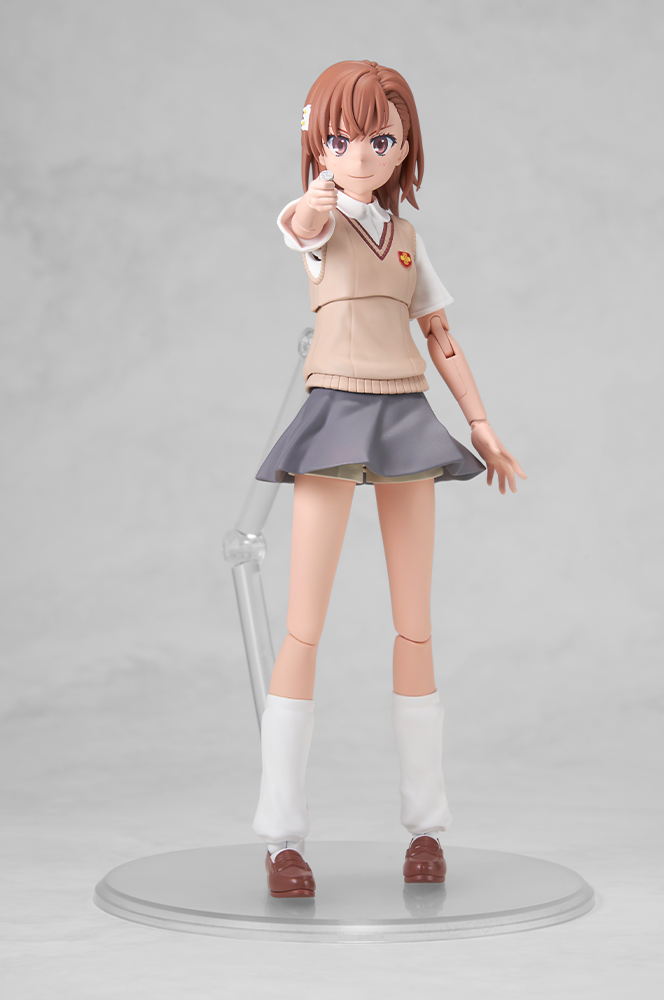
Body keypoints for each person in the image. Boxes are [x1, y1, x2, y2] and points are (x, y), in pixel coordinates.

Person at [252, 60, 526, 898]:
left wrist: (480, 422)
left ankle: (427, 827)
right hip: (335, 408)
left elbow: (441, 336)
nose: (360, 156)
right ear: (316, 142)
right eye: (340, 139)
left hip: (405, 413)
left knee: (416, 625)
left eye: (379, 139)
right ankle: (280, 837)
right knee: (304, 627)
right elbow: (301, 225)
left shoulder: (406, 238)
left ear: (403, 146)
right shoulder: (314, 217)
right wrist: (316, 192)